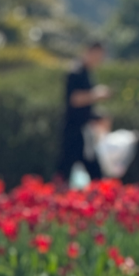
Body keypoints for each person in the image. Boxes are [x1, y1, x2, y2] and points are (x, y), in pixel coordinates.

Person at [58, 42, 110, 182]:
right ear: (89, 52)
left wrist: (98, 117)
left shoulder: (87, 72)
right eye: (97, 56)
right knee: (65, 170)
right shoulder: (76, 71)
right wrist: (96, 94)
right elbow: (74, 99)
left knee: (92, 169)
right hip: (73, 130)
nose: (98, 60)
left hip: (85, 129)